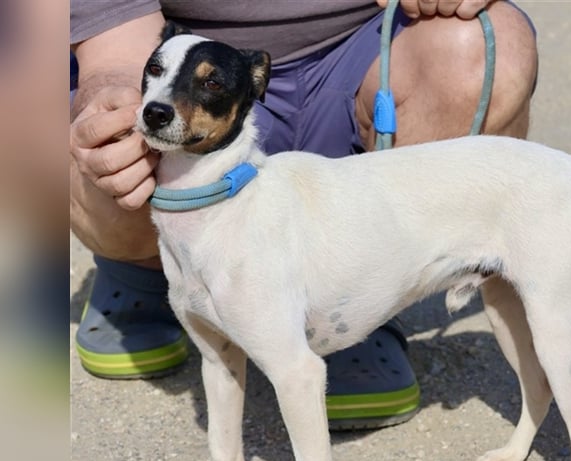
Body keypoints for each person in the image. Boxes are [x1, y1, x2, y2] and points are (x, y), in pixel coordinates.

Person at [70, 0, 539, 429]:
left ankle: (362, 298)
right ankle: (144, 269)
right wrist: (108, 83)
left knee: (478, 43)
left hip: (365, 49)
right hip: (176, 51)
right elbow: (114, 53)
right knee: (53, 105)